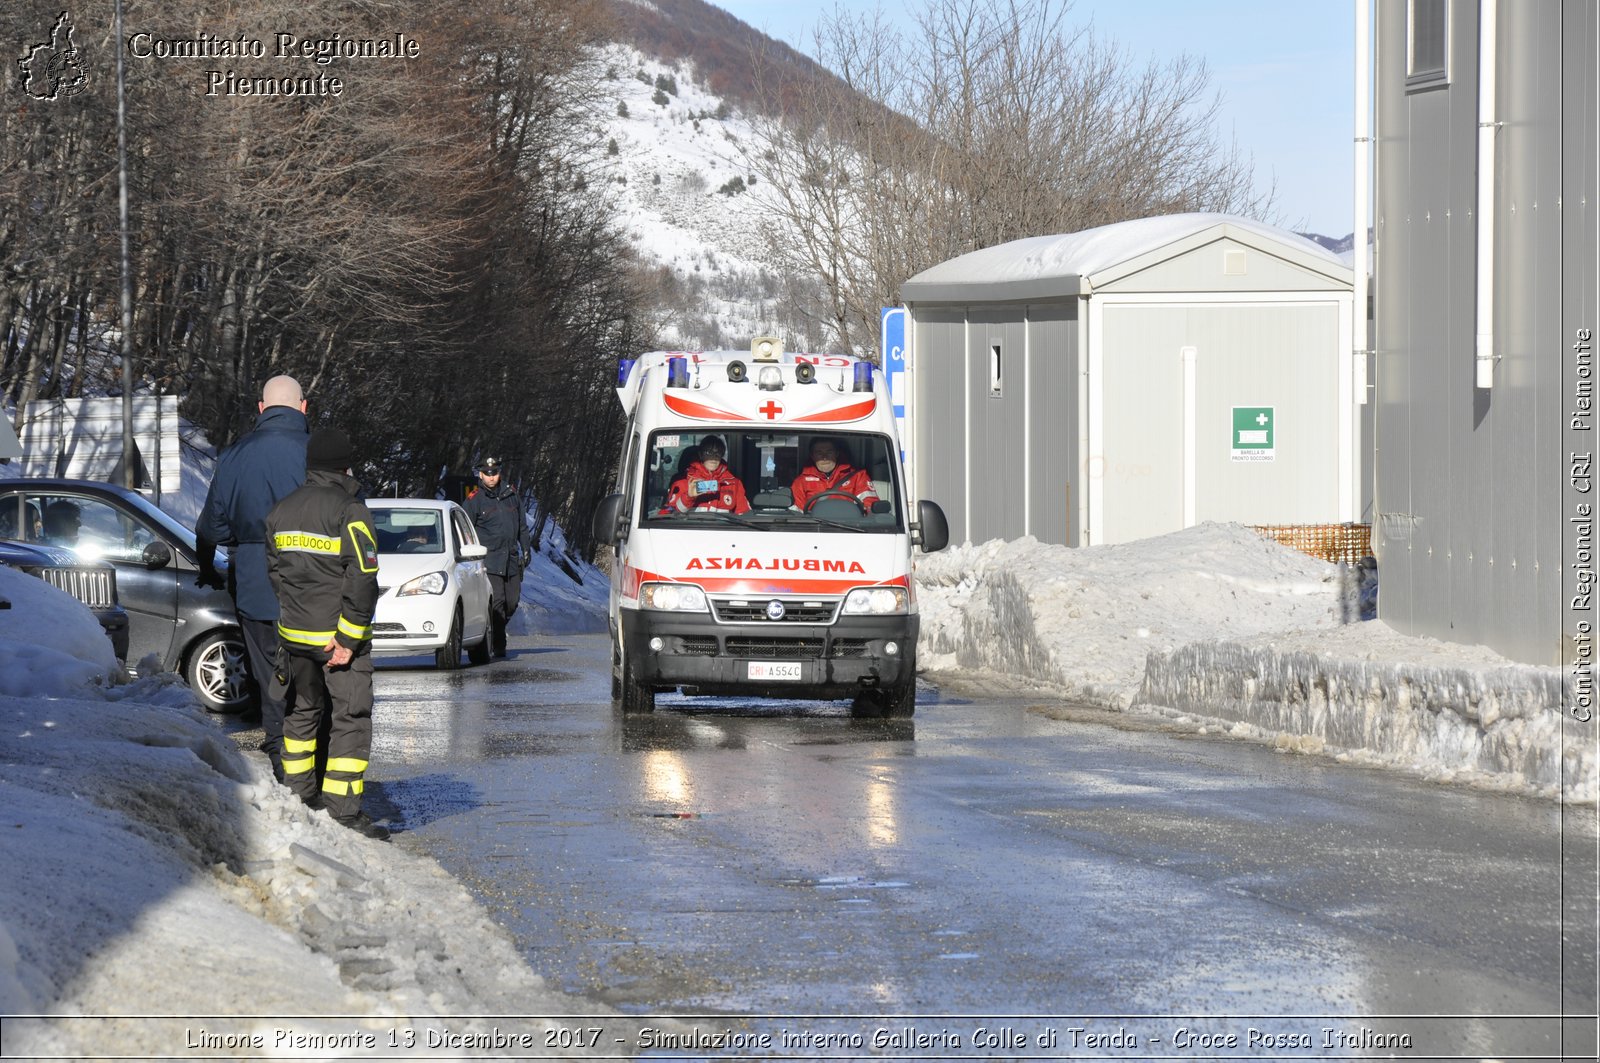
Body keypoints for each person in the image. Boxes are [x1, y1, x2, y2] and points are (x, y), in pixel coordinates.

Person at [264, 427, 387, 841]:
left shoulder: (280, 510)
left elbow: (276, 575)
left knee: (301, 713)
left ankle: (297, 796)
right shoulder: (349, 510)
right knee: (350, 718)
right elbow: (364, 576)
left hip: (294, 637)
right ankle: (343, 811)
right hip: (337, 641)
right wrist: (348, 639)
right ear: (345, 466)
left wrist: (298, 622)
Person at [195, 375, 310, 781]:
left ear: (261, 409)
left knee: (270, 678)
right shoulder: (320, 454)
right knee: (312, 676)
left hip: (256, 584)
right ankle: (317, 762)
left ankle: (284, 762)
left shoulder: (234, 456)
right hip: (315, 589)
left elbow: (211, 528)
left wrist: (209, 568)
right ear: (303, 407)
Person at [463, 455, 531, 659]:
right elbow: (466, 530)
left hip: (510, 559)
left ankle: (492, 630)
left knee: (512, 601)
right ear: (481, 475)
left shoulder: (511, 494)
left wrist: (525, 548)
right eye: (487, 474)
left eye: (495, 473)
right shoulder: (474, 500)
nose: (492, 477)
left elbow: (522, 526)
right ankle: (498, 643)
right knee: (497, 601)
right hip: (489, 560)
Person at [662, 435, 751, 516]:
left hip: (723, 532)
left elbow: (744, 515)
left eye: (718, 453)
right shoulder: (683, 481)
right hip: (692, 531)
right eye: (708, 452)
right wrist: (689, 497)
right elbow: (670, 513)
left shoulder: (733, 484)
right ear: (700, 454)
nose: (713, 457)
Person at [790, 437, 879, 513]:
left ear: (836, 454)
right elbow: (796, 513)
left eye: (829, 452)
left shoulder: (858, 477)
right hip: (814, 529)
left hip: (851, 528)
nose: (824, 457)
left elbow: (870, 507)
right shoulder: (801, 482)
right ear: (812, 456)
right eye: (819, 453)